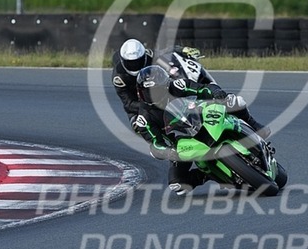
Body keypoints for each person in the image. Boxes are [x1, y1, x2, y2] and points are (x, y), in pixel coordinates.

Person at [134, 65, 269, 195]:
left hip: (201, 118)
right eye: (148, 92)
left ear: (166, 85)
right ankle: (207, 174)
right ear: (140, 93)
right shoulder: (144, 118)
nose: (154, 95)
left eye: (157, 90)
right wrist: (167, 152)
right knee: (177, 184)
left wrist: (216, 93)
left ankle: (254, 125)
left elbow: (203, 88)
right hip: (182, 144)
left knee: (234, 101)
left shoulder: (178, 86)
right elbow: (155, 143)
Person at [111, 38, 270, 138]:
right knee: (139, 127)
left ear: (143, 56)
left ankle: (251, 123)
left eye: (138, 61)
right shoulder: (119, 77)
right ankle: (171, 146)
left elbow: (165, 53)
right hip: (141, 105)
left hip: (160, 91)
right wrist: (151, 106)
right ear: (124, 61)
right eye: (131, 63)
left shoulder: (149, 56)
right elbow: (128, 103)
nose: (135, 65)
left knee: (194, 88)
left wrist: (181, 52)